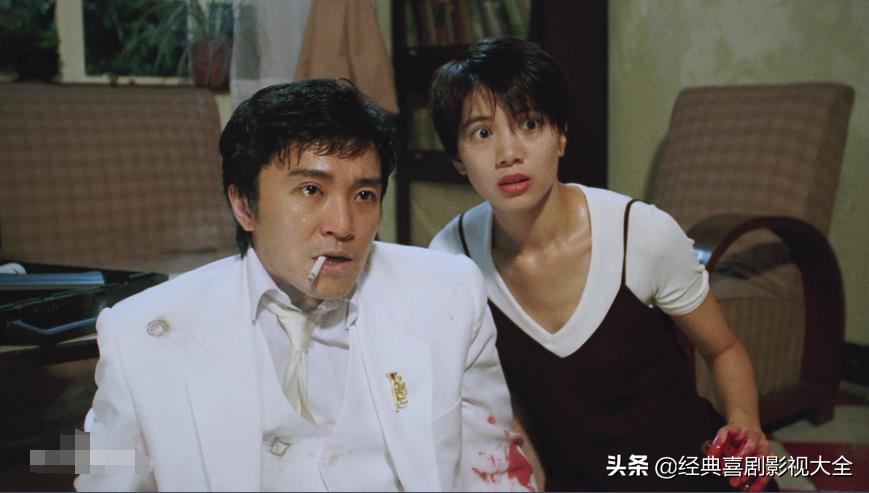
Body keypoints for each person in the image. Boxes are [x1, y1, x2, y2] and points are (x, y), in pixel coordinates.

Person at [75, 79, 536, 492]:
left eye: (364, 195)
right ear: (244, 205)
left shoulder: (449, 293)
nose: (343, 225)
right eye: (311, 191)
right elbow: (100, 476)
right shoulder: (139, 334)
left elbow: (493, 471)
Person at [428, 38, 772, 491]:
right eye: (482, 133)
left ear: (561, 135)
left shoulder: (642, 234)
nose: (508, 152)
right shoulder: (452, 257)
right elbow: (497, 400)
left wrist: (745, 423)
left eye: (529, 124)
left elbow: (724, 350)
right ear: (457, 157)